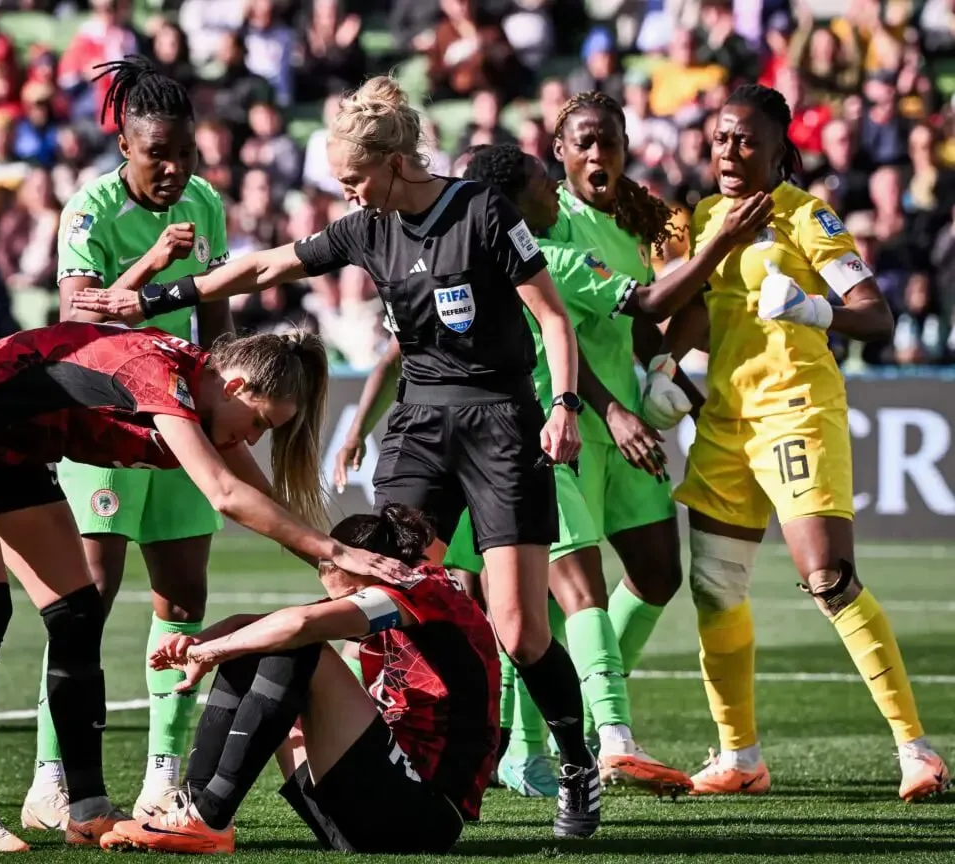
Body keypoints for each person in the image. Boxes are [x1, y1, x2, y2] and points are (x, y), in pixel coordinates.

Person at [73, 74, 601, 838]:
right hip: (420, 427)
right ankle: (393, 749)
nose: (348, 196)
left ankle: (577, 762)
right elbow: (260, 269)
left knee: (519, 630)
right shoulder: (365, 228)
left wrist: (564, 407)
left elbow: (553, 319)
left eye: (354, 180)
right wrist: (151, 300)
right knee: (389, 590)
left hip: (501, 424)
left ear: (391, 163)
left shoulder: (481, 210)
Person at [333, 139, 769, 800]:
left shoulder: (602, 222)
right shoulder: (537, 251)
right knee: (547, 598)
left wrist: (662, 375)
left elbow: (644, 322)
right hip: (528, 439)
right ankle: (601, 739)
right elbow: (638, 306)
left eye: (609, 138)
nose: (557, 185)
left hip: (586, 435)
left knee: (580, 600)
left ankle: (531, 744)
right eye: (545, 174)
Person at [0, 321, 407, 852]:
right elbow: (225, 495)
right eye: (257, 423)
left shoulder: (208, 397)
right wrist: (336, 550)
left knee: (77, 613)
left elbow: (263, 500)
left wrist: (338, 572)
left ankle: (88, 810)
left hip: (12, 449)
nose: (251, 439)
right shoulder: (159, 376)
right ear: (235, 387)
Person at [653, 83, 950, 800]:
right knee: (715, 588)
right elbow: (699, 318)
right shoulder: (700, 218)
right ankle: (740, 757)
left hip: (795, 413)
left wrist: (816, 308)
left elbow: (874, 319)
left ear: (780, 148)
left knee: (829, 580)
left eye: (746, 139)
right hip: (725, 420)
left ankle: (917, 751)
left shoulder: (806, 216)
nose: (729, 150)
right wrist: (673, 375)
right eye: (721, 137)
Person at [24, 55, 236, 827]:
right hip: (100, 424)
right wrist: (153, 265)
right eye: (159, 155)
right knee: (86, 604)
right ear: (126, 145)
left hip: (176, 423)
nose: (175, 169)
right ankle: (53, 774)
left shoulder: (206, 204)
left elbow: (215, 309)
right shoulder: (88, 208)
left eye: (186, 153)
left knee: (184, 594)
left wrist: (222, 393)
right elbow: (77, 321)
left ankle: (162, 776)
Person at [100, 503, 500, 855]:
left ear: (367, 570)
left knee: (297, 644)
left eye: (349, 595)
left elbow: (300, 625)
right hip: (378, 810)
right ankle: (192, 809)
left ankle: (209, 818)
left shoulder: (420, 587)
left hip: (424, 817)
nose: (343, 604)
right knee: (260, 641)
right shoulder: (395, 588)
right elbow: (260, 625)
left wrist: (214, 651)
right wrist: (200, 644)